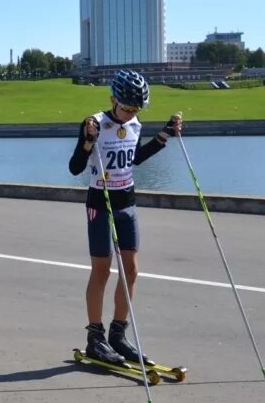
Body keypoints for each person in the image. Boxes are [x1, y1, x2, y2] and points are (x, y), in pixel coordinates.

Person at [68, 69, 182, 366]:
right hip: (100, 202)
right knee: (102, 270)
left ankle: (118, 334)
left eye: (136, 109)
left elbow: (135, 158)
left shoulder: (135, 123)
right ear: (112, 99)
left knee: (131, 270)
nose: (131, 113)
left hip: (127, 202)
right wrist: (88, 143)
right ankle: (95, 337)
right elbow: (75, 168)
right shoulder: (94, 123)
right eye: (126, 108)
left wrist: (165, 135)